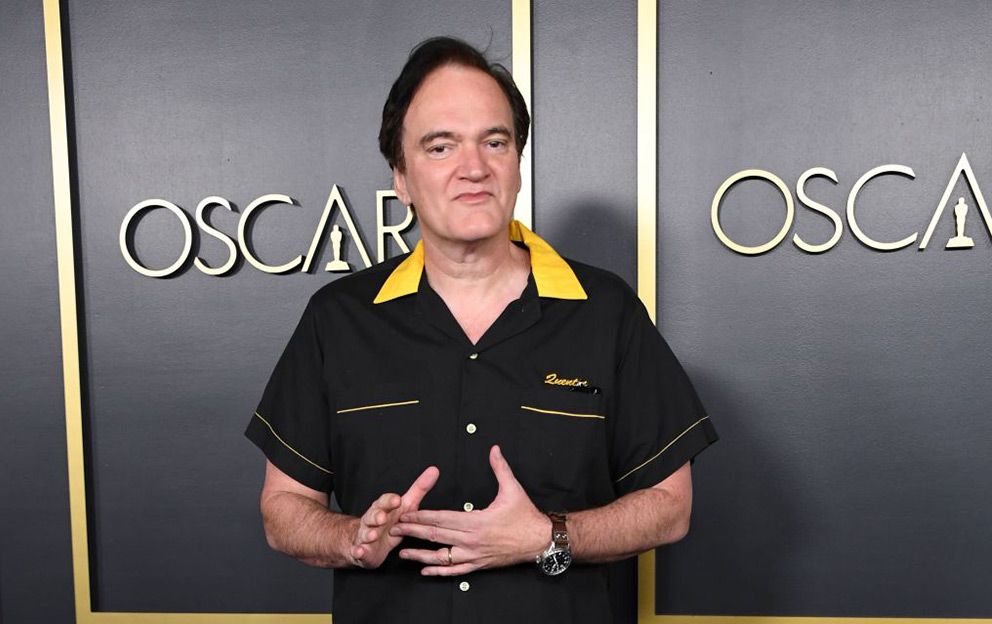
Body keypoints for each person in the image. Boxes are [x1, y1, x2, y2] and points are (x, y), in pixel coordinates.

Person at [245, 36, 717, 623]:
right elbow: (283, 508)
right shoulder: (337, 319)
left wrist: (546, 536)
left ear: (517, 163)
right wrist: (350, 538)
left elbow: (670, 508)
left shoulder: (605, 310)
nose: (474, 168)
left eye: (495, 142)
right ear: (401, 176)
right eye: (440, 147)